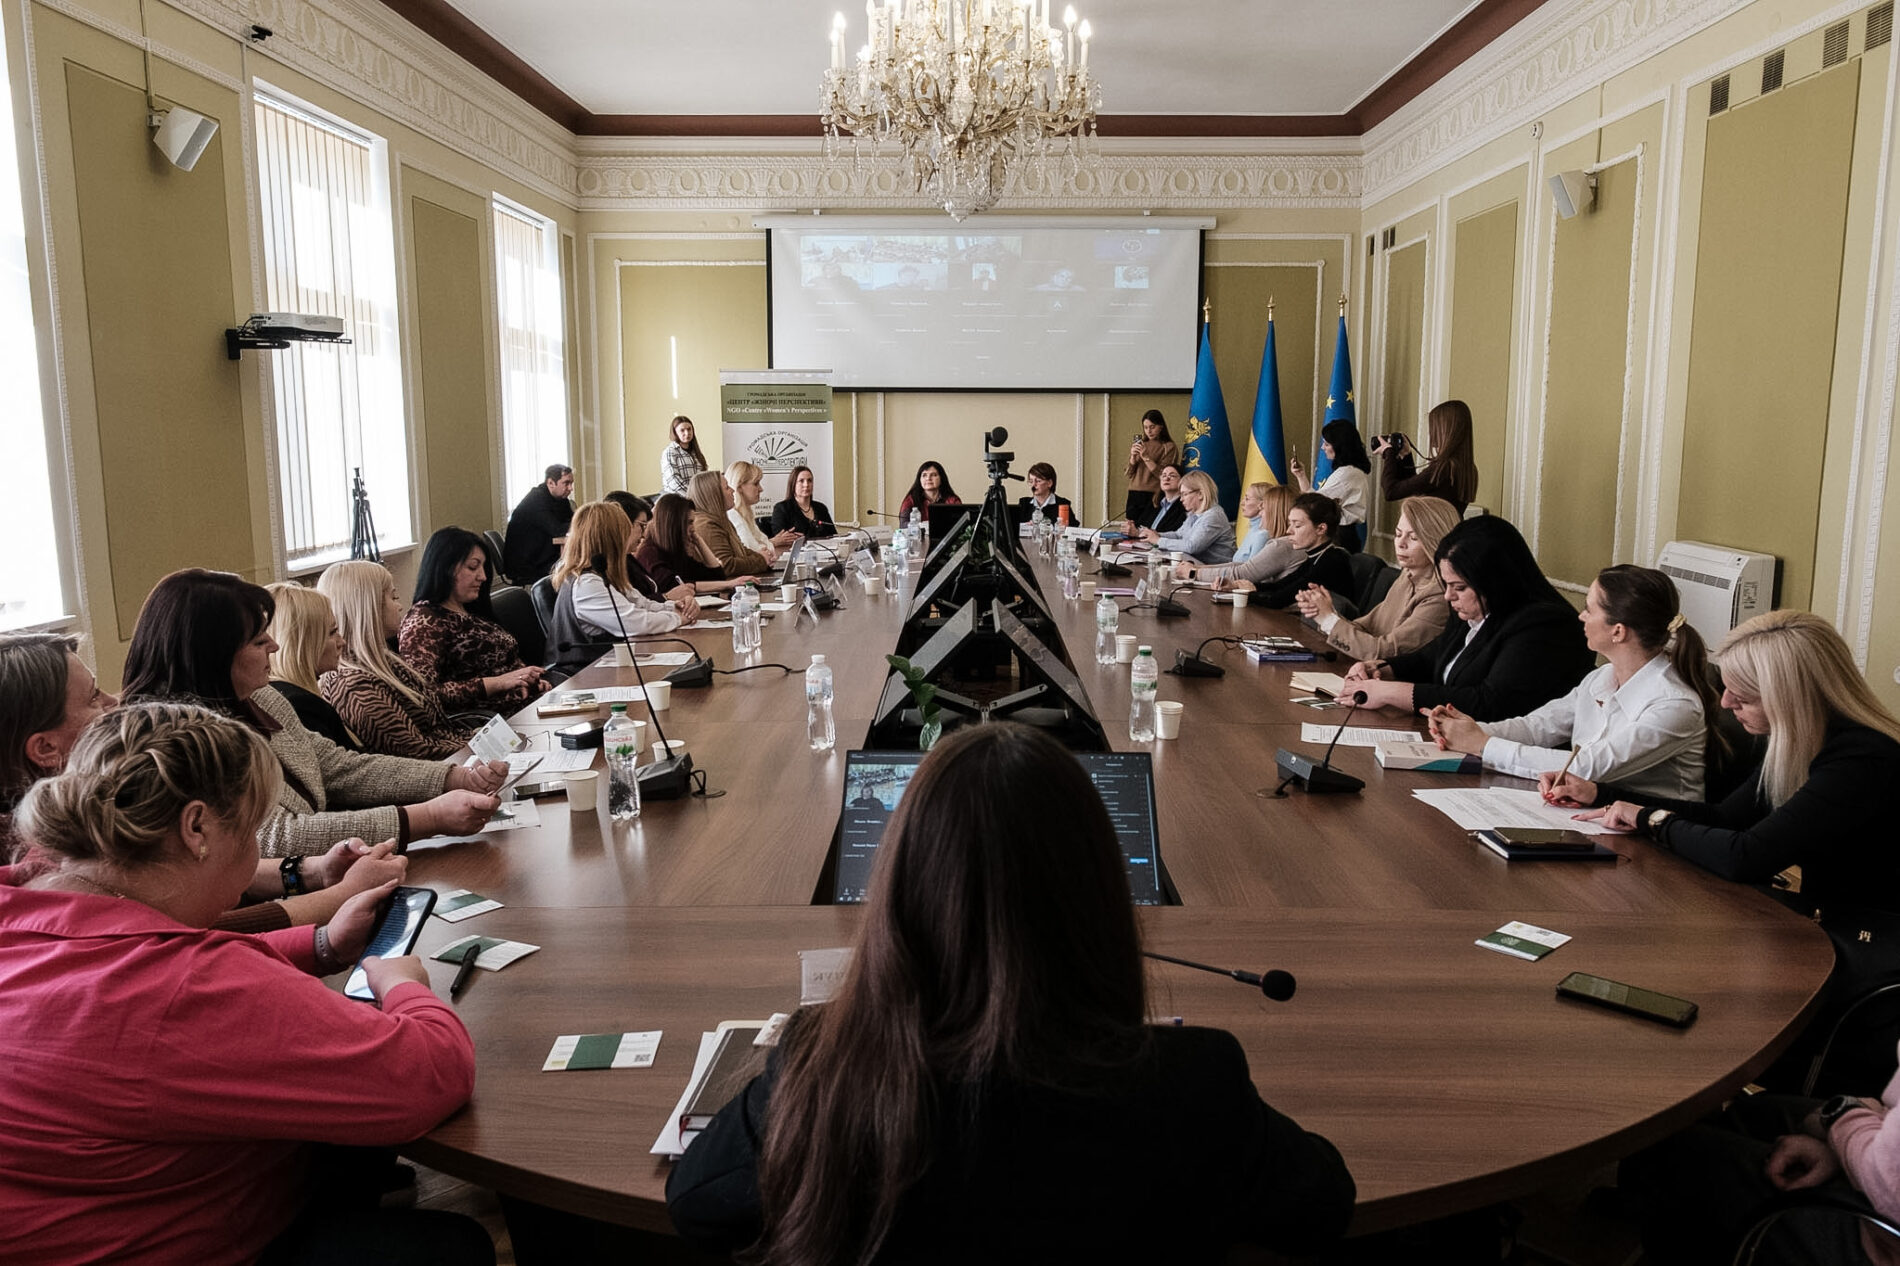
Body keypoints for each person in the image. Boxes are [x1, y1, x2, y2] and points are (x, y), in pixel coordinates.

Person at [665, 722, 1355, 1263]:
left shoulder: (828, 1068)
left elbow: (693, 1201)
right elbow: (1325, 1204)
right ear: (1102, 900)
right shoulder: (1198, 1084)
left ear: (901, 897)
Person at [0, 701, 489, 1266]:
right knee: (452, 1248)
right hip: (167, 1243)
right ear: (197, 829)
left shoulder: (24, 896)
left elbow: (158, 967)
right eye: (253, 828)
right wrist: (405, 986)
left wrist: (321, 944)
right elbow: (432, 1074)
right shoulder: (183, 987)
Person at [0, 631, 409, 938]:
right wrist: (336, 898)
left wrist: (309, 872)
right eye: (93, 698)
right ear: (45, 748)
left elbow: (179, 864)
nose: (113, 702)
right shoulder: (26, 861)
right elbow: (172, 936)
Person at [122, 569, 504, 857]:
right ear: (213, 657)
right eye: (258, 640)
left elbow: (338, 767)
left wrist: (452, 777)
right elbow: (279, 836)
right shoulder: (183, 743)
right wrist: (427, 818)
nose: (273, 645)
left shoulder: (263, 698)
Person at [1545, 610, 1900, 915]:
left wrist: (1650, 819)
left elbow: (1745, 856)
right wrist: (1601, 794)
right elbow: (1725, 818)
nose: (1726, 703)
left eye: (1743, 697)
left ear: (1790, 699)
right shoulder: (1803, 740)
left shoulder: (1862, 760)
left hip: (1868, 940)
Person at [1423, 564, 1716, 799]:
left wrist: (1483, 745)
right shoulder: (1601, 677)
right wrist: (1468, 731)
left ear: (1618, 631)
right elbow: (1537, 727)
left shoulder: (1675, 704)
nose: (1581, 616)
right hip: (1597, 816)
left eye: (1590, 609)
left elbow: (1587, 767)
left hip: (1654, 842)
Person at [1617, 1052, 1900, 1265]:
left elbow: (1887, 1180)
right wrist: (1851, 1139)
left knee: (1676, 1147)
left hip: (1879, 1232)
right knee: (1752, 1113)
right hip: (1883, 1151)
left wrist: (1843, 1116)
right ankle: (1647, 1201)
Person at [1344, 515, 1593, 720]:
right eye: (1447, 585)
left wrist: (1390, 693)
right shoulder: (1476, 609)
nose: (1448, 596)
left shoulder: (1545, 625)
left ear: (1494, 581)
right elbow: (1433, 657)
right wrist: (1382, 668)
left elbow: (1489, 703)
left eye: (1460, 587)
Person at [317, 561, 472, 761]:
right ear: (370, 607)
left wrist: (482, 737)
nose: (399, 606)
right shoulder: (356, 688)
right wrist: (481, 745)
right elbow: (417, 753)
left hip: (458, 756)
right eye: (393, 597)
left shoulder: (384, 660)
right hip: (443, 770)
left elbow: (440, 732)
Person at [401, 527, 548, 712]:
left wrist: (530, 681)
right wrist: (498, 683)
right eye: (472, 567)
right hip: (491, 721)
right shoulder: (424, 622)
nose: (483, 577)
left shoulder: (471, 608)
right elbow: (423, 693)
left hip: (527, 706)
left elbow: (505, 665)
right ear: (445, 568)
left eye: (483, 567)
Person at [1294, 496, 1458, 661]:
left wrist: (1328, 620)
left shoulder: (1441, 594)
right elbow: (1367, 627)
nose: (1400, 543)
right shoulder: (1407, 576)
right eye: (1398, 534)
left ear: (1437, 542)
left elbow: (1384, 651)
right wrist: (1326, 614)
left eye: (1413, 538)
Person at [546, 502, 695, 675]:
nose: (634, 536)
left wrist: (676, 606)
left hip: (606, 668)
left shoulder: (605, 574)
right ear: (610, 538)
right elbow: (634, 623)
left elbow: (643, 604)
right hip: (582, 675)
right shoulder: (585, 584)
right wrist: (678, 618)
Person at [264, 582, 360, 752]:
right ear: (302, 643)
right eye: (332, 632)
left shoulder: (286, 695)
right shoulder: (300, 707)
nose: (342, 642)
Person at [1228, 492, 1352, 609]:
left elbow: (1278, 600)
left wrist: (1246, 593)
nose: (1289, 531)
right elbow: (1279, 586)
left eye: (1297, 525)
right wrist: (1238, 585)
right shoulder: (1316, 555)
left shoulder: (1332, 561)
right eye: (1290, 524)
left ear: (1321, 529)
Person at [1374, 400, 1479, 512]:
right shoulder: (1468, 468)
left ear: (1446, 431)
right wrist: (1406, 456)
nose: (1430, 433)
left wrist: (1388, 452)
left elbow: (1391, 491)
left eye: (1434, 427)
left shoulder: (1443, 468)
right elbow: (1417, 490)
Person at [637, 494, 751, 596]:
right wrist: (729, 584)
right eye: (689, 522)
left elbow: (716, 576)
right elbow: (676, 585)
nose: (693, 528)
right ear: (675, 525)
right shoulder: (649, 553)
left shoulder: (676, 551)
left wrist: (699, 540)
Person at [605, 491, 700, 605]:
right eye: (642, 525)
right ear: (623, 525)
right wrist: (666, 597)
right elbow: (632, 606)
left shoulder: (628, 558)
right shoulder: (610, 564)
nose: (644, 535)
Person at [1289, 420, 1372, 551]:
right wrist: (1301, 475)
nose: (1323, 448)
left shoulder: (1347, 473)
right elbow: (1314, 500)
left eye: (1327, 444)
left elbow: (1315, 504)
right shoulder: (1349, 471)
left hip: (1341, 536)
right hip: (1343, 534)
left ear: (1339, 447)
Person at [1131, 470, 1233, 564]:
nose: (1181, 499)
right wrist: (1157, 534)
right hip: (1195, 565)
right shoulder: (1194, 513)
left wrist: (1158, 541)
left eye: (1184, 494)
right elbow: (1179, 535)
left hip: (1215, 571)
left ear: (1200, 494)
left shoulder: (1213, 516)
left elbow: (1192, 547)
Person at [689, 470, 773, 578]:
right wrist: (761, 560)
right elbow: (726, 565)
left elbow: (741, 550)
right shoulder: (707, 525)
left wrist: (763, 557)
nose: (733, 490)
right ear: (714, 494)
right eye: (727, 487)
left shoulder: (720, 520)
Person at [501, 463, 574, 582]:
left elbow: (572, 522)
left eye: (571, 483)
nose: (570, 488)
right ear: (551, 483)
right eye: (566, 483)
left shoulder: (561, 499)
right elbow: (557, 530)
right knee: (576, 567)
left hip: (542, 556)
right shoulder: (536, 500)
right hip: (528, 564)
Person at [726, 460, 800, 561]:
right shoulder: (733, 515)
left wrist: (768, 546)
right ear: (739, 487)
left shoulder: (746, 514)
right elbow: (753, 550)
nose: (761, 489)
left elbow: (765, 547)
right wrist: (768, 547)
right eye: (756, 484)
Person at [1123, 410, 1180, 521]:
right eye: (1145, 427)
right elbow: (1129, 474)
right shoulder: (1141, 445)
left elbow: (1163, 474)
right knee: (1130, 527)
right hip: (1134, 493)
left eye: (1152, 427)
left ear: (1161, 426)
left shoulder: (1169, 447)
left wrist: (1146, 457)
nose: (1149, 431)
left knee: (1148, 527)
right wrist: (1133, 457)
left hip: (1154, 493)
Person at [770, 465, 838, 539]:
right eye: (801, 481)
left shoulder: (821, 508)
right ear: (793, 484)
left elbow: (833, 536)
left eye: (809, 480)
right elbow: (780, 538)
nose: (806, 485)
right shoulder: (782, 508)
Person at [1125, 462, 1186, 538]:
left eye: (1172, 476)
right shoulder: (1155, 503)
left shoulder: (1184, 505)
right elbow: (1141, 525)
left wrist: (1138, 533)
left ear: (1182, 480)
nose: (1166, 478)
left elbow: (1175, 534)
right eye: (1164, 475)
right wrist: (1131, 527)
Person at [661, 415, 708, 497]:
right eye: (682, 430)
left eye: (689, 429)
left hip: (697, 498)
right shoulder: (670, 452)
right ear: (675, 432)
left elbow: (704, 477)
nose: (687, 433)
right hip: (677, 499)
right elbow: (673, 481)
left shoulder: (696, 453)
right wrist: (693, 495)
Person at [896, 460, 961, 520]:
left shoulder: (952, 501)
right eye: (924, 475)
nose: (928, 478)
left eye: (933, 475)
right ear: (919, 480)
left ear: (941, 479)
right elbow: (903, 524)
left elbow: (960, 523)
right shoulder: (911, 500)